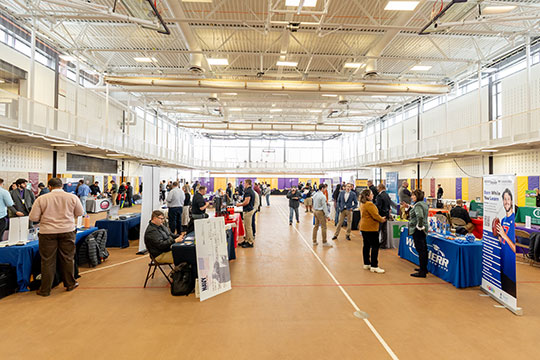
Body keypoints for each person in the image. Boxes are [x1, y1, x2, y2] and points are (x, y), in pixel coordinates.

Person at [29, 178, 84, 296]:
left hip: (47, 233)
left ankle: (45, 289)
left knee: (47, 261)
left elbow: (33, 218)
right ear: (62, 186)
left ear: (49, 187)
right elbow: (80, 213)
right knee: (67, 258)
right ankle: (70, 284)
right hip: (67, 231)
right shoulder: (72, 197)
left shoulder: (41, 199)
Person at [359, 188, 387, 274]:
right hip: (371, 228)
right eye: (371, 194)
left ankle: (366, 263)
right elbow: (375, 216)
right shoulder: (370, 205)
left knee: (366, 245)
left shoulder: (363, 204)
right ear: (367, 196)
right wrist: (382, 219)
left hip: (364, 227)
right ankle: (374, 266)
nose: (373, 195)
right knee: (375, 246)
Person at [496, 189, 517, 298]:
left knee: (511, 296)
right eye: (505, 199)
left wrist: (504, 235)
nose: (506, 201)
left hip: (511, 270)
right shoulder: (503, 220)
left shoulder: (514, 220)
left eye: (508, 199)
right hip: (503, 266)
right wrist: (499, 235)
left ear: (512, 201)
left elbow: (515, 249)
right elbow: (502, 242)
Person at [409, 189, 429, 278]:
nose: (411, 197)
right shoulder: (423, 204)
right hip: (423, 229)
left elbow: (420, 216)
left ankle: (422, 272)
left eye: (413, 195)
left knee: (421, 250)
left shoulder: (418, 205)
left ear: (417, 196)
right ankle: (424, 268)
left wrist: (419, 226)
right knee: (424, 249)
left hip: (418, 230)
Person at [375, 183, 398, 248]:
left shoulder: (379, 196)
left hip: (381, 215)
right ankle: (383, 244)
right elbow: (388, 205)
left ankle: (375, 244)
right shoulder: (387, 195)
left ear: (379, 188)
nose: (377, 189)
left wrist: (377, 214)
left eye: (377, 188)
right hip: (386, 214)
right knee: (384, 231)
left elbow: (378, 207)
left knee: (378, 230)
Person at [237, 179, 256, 248]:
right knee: (246, 226)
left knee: (248, 227)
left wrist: (239, 204)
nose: (244, 184)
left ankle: (250, 242)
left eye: (244, 183)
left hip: (248, 211)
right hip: (248, 210)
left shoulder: (248, 191)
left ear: (248, 183)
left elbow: (246, 202)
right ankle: (247, 240)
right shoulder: (250, 190)